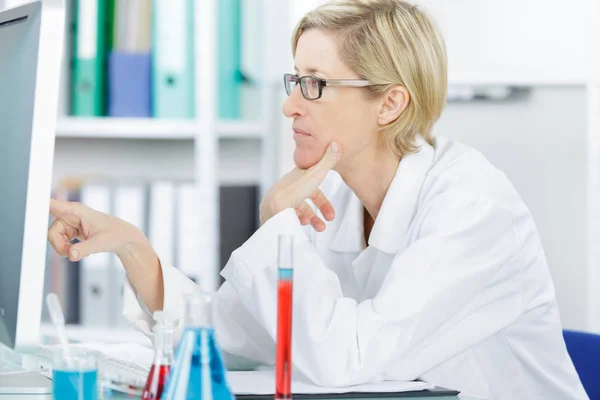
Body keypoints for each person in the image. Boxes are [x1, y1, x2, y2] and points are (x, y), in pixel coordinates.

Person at [47, 0, 588, 398]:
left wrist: (276, 225)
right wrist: (133, 248)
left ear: (390, 103)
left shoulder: (474, 209)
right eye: (294, 79)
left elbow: (346, 361)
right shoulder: (334, 193)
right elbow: (245, 335)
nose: (289, 107)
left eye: (315, 83)